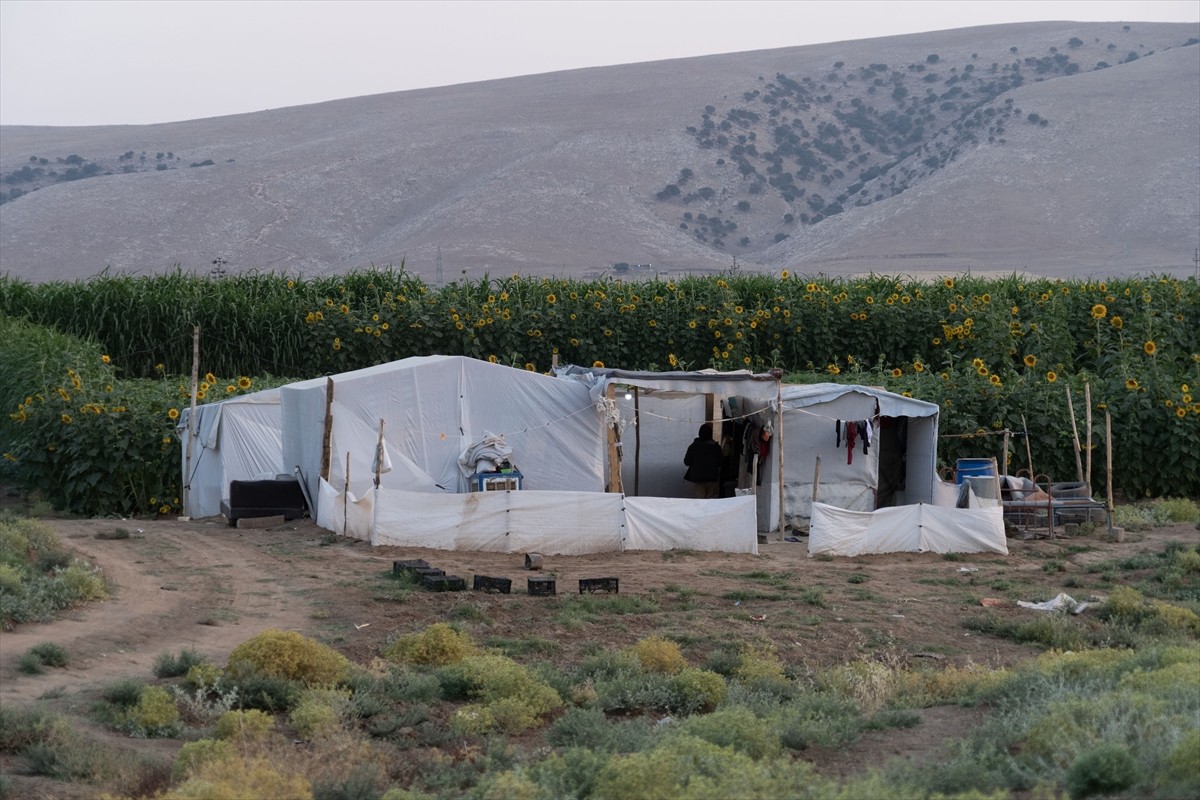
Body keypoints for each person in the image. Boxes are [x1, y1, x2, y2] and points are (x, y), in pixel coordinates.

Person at [684, 422, 723, 499]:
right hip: (712, 478)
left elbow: (687, 462)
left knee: (700, 501)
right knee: (710, 501)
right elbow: (720, 462)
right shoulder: (716, 447)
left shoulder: (693, 447)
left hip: (698, 479)